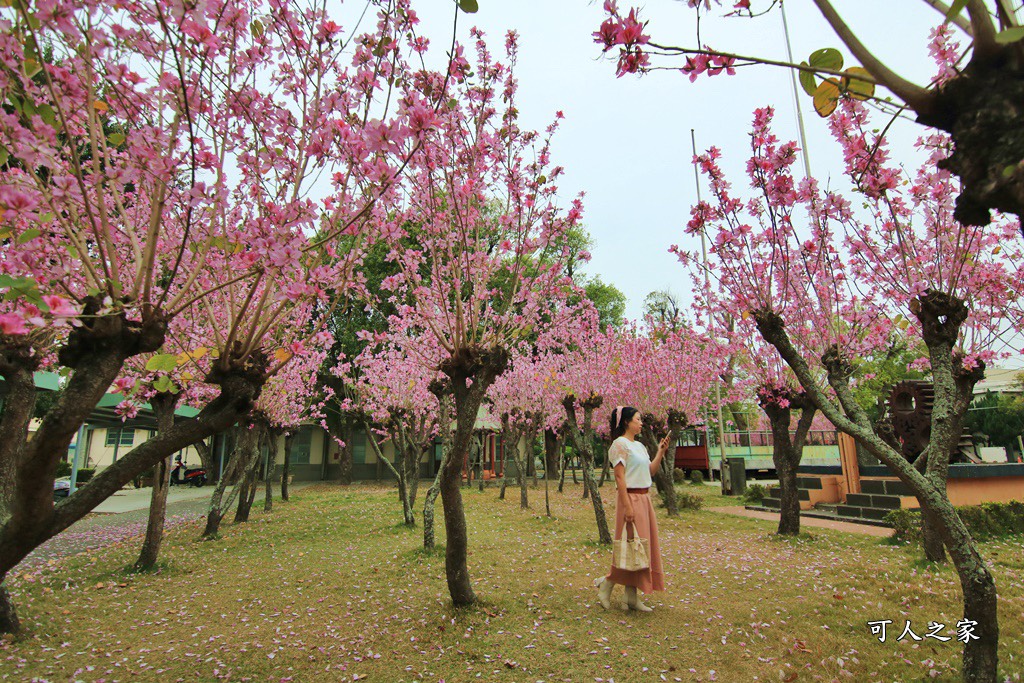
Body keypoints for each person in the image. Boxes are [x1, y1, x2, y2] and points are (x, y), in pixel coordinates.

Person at [594, 406, 669, 612]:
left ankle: (631, 596)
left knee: (641, 547)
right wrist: (627, 507)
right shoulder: (620, 445)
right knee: (630, 545)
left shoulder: (641, 446)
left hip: (644, 499)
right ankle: (607, 583)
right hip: (630, 498)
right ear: (627, 421)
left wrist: (660, 452)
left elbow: (650, 471)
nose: (641, 423)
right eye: (638, 419)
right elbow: (619, 477)